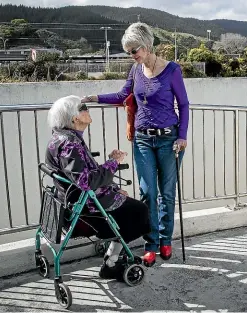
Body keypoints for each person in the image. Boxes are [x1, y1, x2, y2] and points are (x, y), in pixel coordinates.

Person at [81, 22, 190, 267]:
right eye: (129, 52)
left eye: (134, 50)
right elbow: (122, 96)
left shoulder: (172, 70)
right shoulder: (136, 70)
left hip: (169, 139)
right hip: (142, 139)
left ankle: (165, 240)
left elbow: (183, 105)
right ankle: (150, 244)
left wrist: (182, 136)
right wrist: (95, 97)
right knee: (148, 192)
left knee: (167, 192)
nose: (132, 56)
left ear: (147, 45)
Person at [45, 95, 151, 279]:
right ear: (74, 118)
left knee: (127, 201)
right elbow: (86, 181)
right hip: (88, 209)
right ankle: (112, 262)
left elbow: (83, 173)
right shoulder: (70, 144)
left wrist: (113, 188)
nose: (87, 110)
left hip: (77, 201)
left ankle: (114, 252)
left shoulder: (61, 138)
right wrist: (113, 162)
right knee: (140, 211)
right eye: (82, 108)